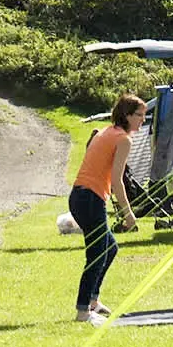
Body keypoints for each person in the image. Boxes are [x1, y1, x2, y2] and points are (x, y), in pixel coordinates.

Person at [69, 94, 144, 325]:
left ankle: (93, 301)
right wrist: (128, 214)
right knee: (97, 254)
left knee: (109, 248)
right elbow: (118, 179)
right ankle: (83, 311)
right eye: (139, 115)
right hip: (90, 199)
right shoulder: (123, 139)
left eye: (143, 115)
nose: (143, 120)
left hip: (80, 197)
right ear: (126, 116)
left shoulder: (106, 131)